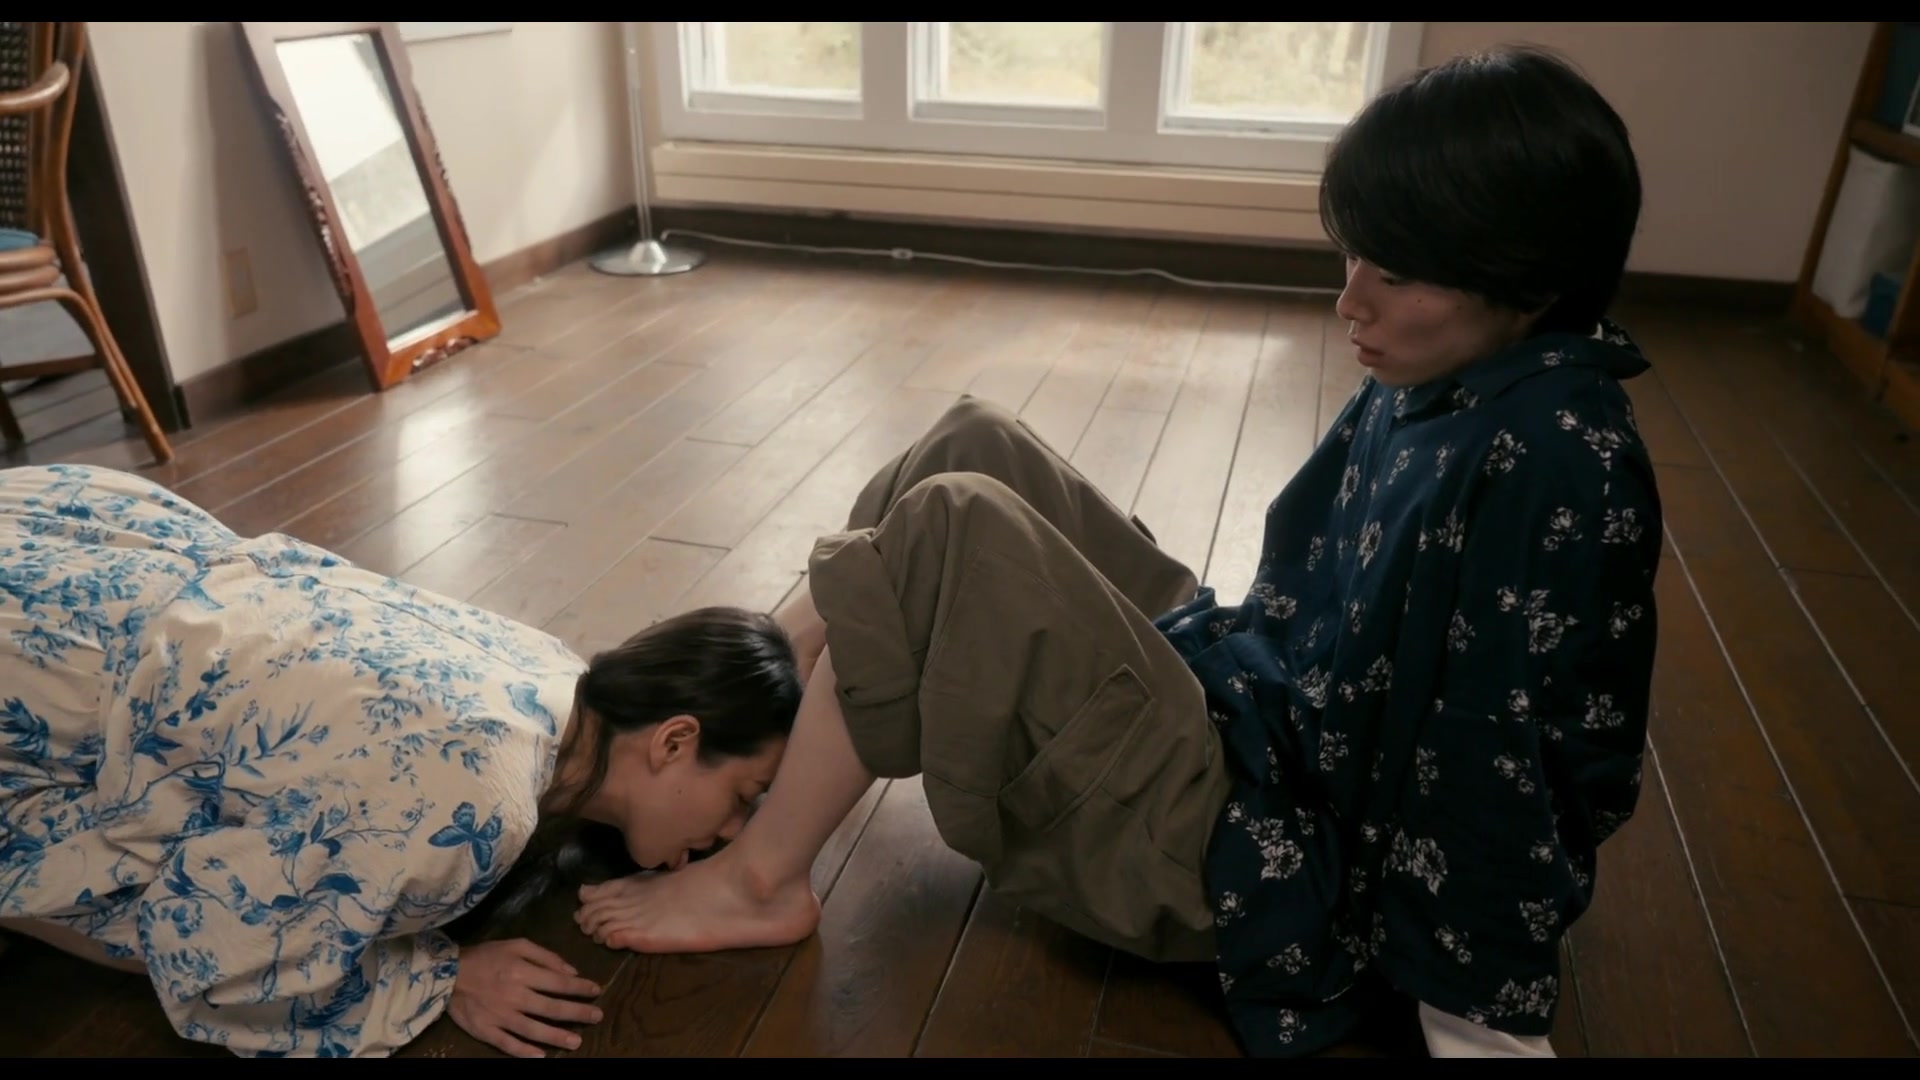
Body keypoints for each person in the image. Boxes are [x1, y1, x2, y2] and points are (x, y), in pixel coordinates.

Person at [574, 43, 1661, 1060]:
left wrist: (1480, 1028)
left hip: (1261, 851)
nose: (1350, 299)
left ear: (1526, 279)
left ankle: (763, 873)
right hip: (1257, 708)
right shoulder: (1464, 370)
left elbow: (1506, 759)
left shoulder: (1553, 458)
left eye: (1399, 274)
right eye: (1355, 255)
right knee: (969, 440)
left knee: (948, 526)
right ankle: (762, 708)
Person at [0, 461, 804, 1059]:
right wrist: (437, 977)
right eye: (744, 795)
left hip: (85, 548)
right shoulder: (483, 800)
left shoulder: (551, 671)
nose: (734, 831)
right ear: (674, 740)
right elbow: (210, 948)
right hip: (41, 664)